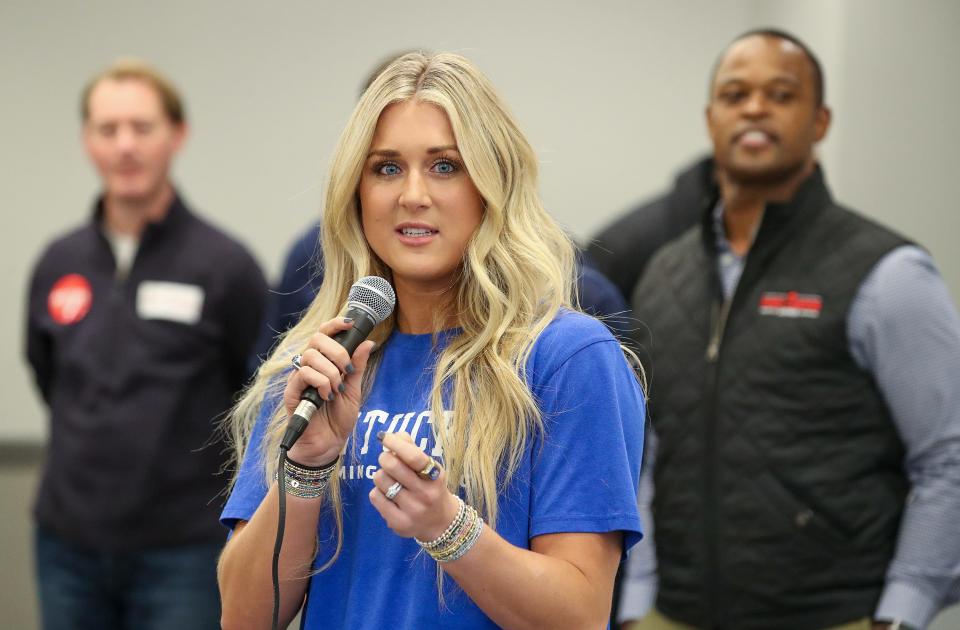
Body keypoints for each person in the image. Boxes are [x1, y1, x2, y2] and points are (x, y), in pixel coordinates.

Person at [218, 52, 646, 629]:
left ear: (492, 184)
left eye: (445, 166)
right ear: (357, 192)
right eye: (386, 168)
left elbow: (579, 616)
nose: (412, 195)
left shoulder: (568, 358)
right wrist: (307, 467)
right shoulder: (319, 365)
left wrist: (449, 527)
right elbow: (244, 617)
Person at [617, 29, 960, 630]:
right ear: (710, 118)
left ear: (820, 120)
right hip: (674, 615)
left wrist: (904, 613)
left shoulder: (886, 273)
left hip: (836, 615)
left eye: (781, 94)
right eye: (735, 94)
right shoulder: (665, 273)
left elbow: (949, 457)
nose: (754, 108)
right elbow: (650, 451)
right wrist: (637, 600)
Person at [25, 59, 267, 629]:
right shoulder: (58, 264)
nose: (125, 146)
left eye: (142, 127)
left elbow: (254, 398)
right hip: (68, 546)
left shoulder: (225, 267)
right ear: (87, 140)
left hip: (183, 550)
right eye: (108, 130)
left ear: (176, 135)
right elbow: (47, 374)